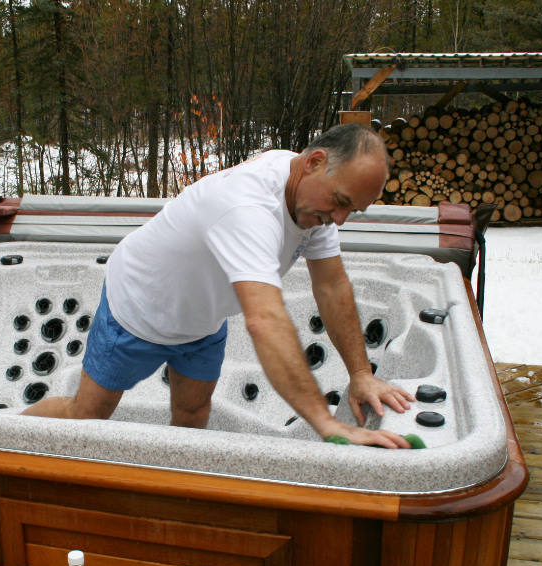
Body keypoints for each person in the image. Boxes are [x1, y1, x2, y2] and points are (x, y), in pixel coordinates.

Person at [22, 123, 414, 448]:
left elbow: (332, 285)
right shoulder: (248, 206)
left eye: (352, 210)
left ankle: (175, 497)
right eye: (340, 202)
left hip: (202, 321)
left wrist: (360, 373)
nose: (341, 219)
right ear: (314, 162)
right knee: (87, 416)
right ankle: (5, 437)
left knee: (193, 416)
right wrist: (326, 423)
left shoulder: (312, 201)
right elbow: (264, 320)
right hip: (139, 307)